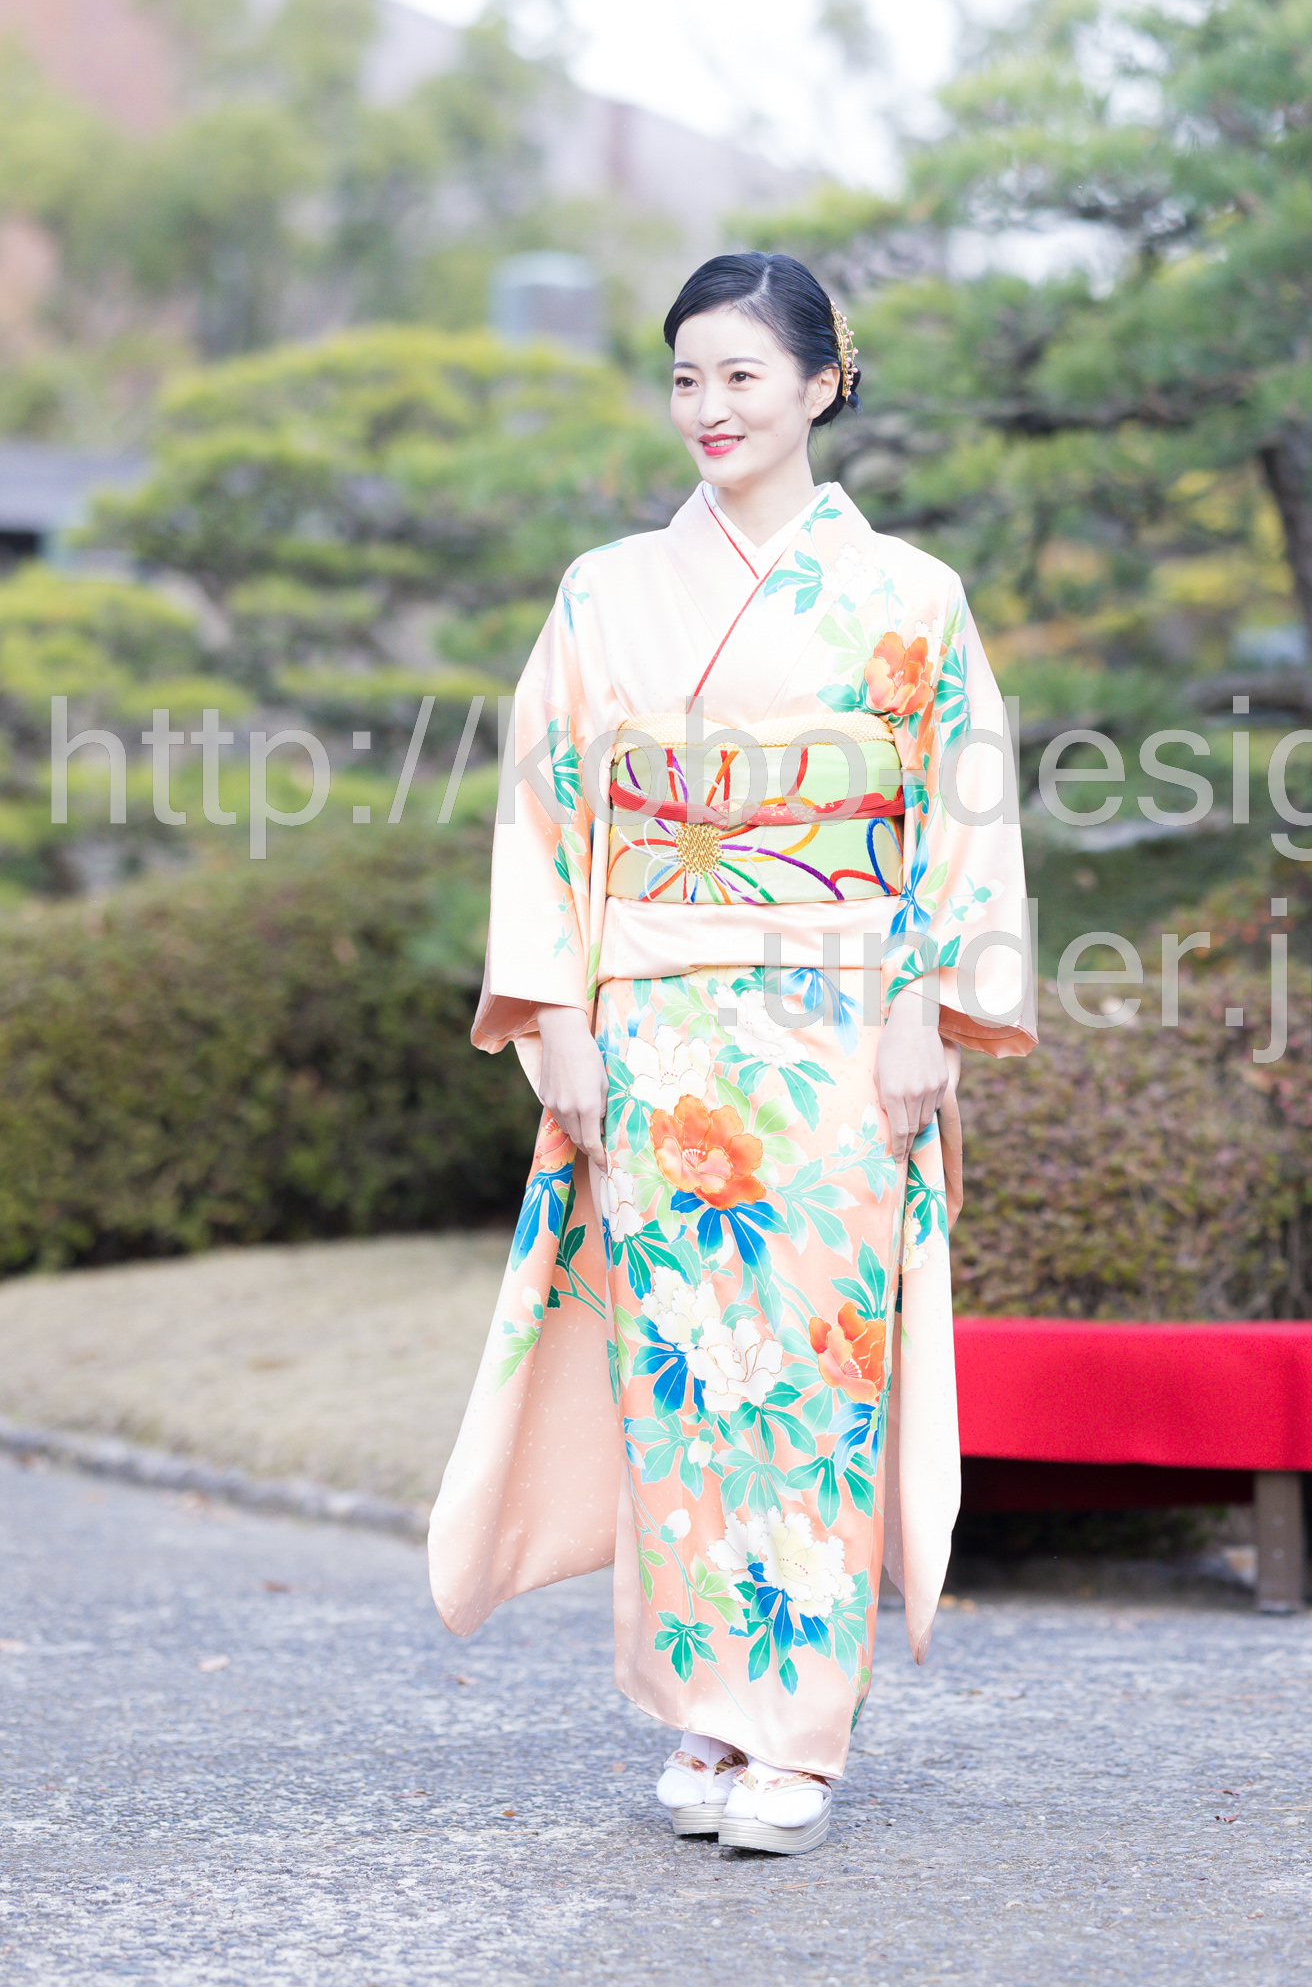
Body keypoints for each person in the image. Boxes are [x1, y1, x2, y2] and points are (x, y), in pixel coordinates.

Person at [428, 251, 1035, 1855]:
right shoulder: (603, 591)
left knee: (814, 1370)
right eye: (686, 376)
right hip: (654, 1030)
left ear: (825, 383)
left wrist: (925, 1010)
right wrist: (558, 1023)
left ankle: (799, 1735)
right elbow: (544, 811)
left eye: (744, 376)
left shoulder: (909, 597)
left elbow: (959, 813)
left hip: (836, 1025)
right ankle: (710, 1706)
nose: (710, 406)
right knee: (684, 1371)